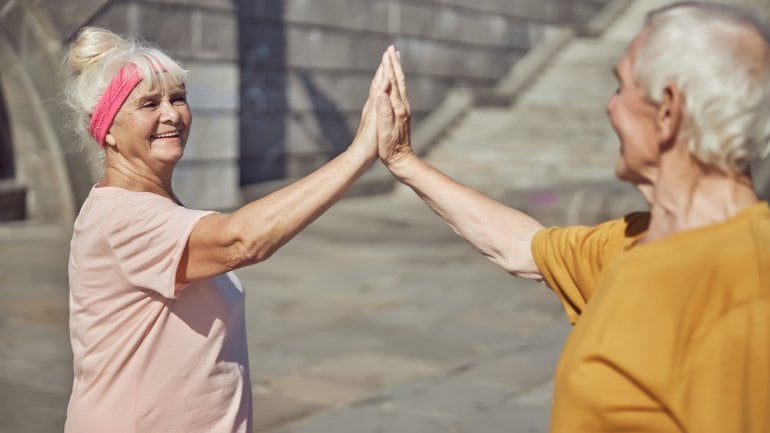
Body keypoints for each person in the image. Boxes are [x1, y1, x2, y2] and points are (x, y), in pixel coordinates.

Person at [374, 2, 770, 433]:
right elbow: (522, 246)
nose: (609, 107)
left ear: (668, 110)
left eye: (620, 87)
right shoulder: (635, 241)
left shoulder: (747, 285)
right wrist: (403, 160)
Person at [62, 27, 390, 432]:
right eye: (149, 103)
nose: (171, 114)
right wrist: (360, 153)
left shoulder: (150, 207)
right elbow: (241, 240)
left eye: (177, 97)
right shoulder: (125, 218)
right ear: (106, 129)